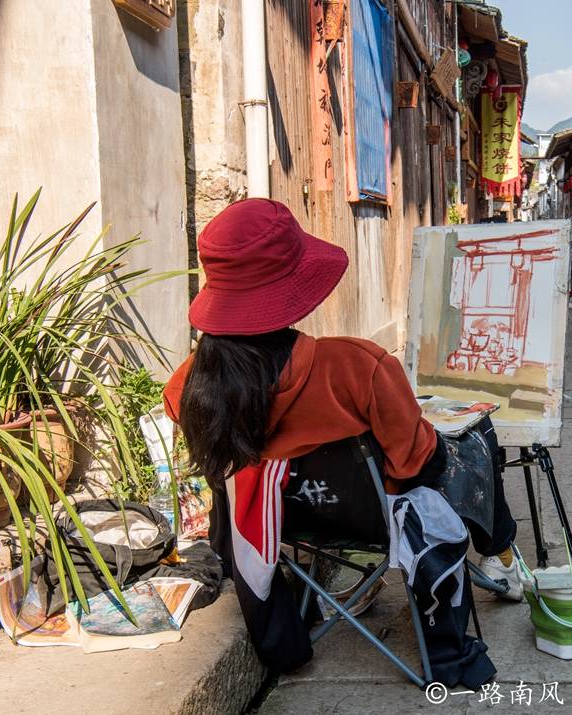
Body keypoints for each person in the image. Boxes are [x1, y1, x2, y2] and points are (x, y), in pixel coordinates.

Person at [162, 199, 522, 686]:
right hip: (373, 518)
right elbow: (416, 463)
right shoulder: (358, 367)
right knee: (476, 436)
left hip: (287, 524)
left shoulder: (186, 390)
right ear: (291, 288)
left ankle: (496, 553)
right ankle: (500, 551)